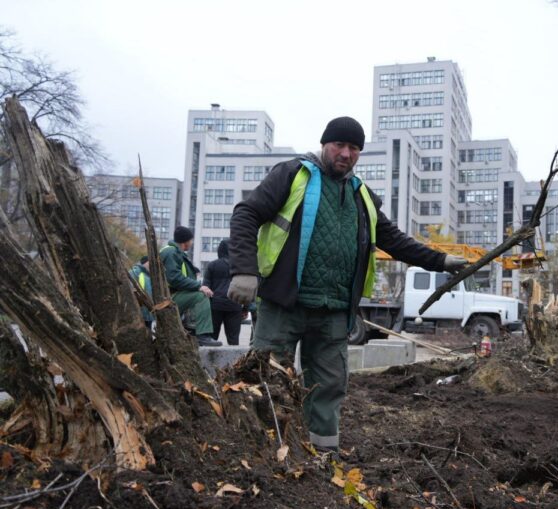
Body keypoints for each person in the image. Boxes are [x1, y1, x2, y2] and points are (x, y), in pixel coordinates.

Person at [227, 116, 468, 452]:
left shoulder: (362, 196)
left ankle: (323, 457)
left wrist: (440, 261)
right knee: (269, 380)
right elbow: (246, 213)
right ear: (325, 144)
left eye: (354, 148)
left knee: (329, 387)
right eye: (339, 145)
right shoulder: (293, 174)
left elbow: (394, 240)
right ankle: (263, 454)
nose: (345, 153)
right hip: (284, 304)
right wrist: (244, 270)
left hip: (333, 312)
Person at [160, 226, 221, 347]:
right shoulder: (171, 252)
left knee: (199, 295)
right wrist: (199, 286)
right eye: (191, 240)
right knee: (201, 296)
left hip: (171, 295)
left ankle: (193, 332)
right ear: (186, 241)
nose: (192, 243)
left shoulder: (173, 252)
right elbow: (174, 278)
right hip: (169, 297)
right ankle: (202, 336)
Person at [204, 239, 245, 346]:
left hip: (215, 306)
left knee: (212, 339)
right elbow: (245, 289)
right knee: (233, 340)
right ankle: (235, 362)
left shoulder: (212, 265)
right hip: (234, 305)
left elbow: (205, 287)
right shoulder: (240, 267)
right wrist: (246, 308)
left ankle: (211, 362)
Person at [130, 255, 154, 329]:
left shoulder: (151, 276)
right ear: (146, 262)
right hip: (139, 314)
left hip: (149, 315)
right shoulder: (135, 272)